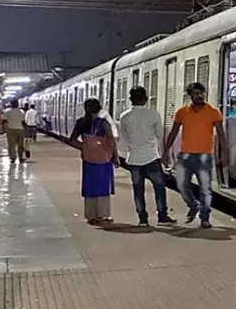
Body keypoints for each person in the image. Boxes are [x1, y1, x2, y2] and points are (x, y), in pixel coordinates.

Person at [163, 82, 224, 228]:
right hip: (185, 156)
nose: (200, 96)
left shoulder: (213, 112)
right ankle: (193, 204)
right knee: (182, 185)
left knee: (205, 189)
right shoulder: (182, 112)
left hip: (205, 156)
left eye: (202, 93)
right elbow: (173, 132)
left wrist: (223, 154)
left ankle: (205, 217)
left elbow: (221, 135)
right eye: (196, 94)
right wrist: (165, 150)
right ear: (190, 95)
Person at [118, 86, 174, 226]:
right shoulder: (153, 115)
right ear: (146, 98)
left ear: (130, 99)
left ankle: (142, 218)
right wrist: (164, 155)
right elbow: (160, 136)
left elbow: (124, 138)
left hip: (134, 158)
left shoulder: (124, 116)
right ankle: (162, 216)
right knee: (159, 187)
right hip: (151, 157)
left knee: (138, 190)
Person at [68, 98, 118, 224]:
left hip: (88, 159)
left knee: (90, 186)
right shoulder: (103, 123)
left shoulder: (81, 122)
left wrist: (84, 147)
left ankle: (91, 216)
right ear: (99, 108)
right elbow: (111, 141)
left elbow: (72, 140)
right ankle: (103, 214)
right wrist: (115, 156)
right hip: (104, 159)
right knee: (103, 186)